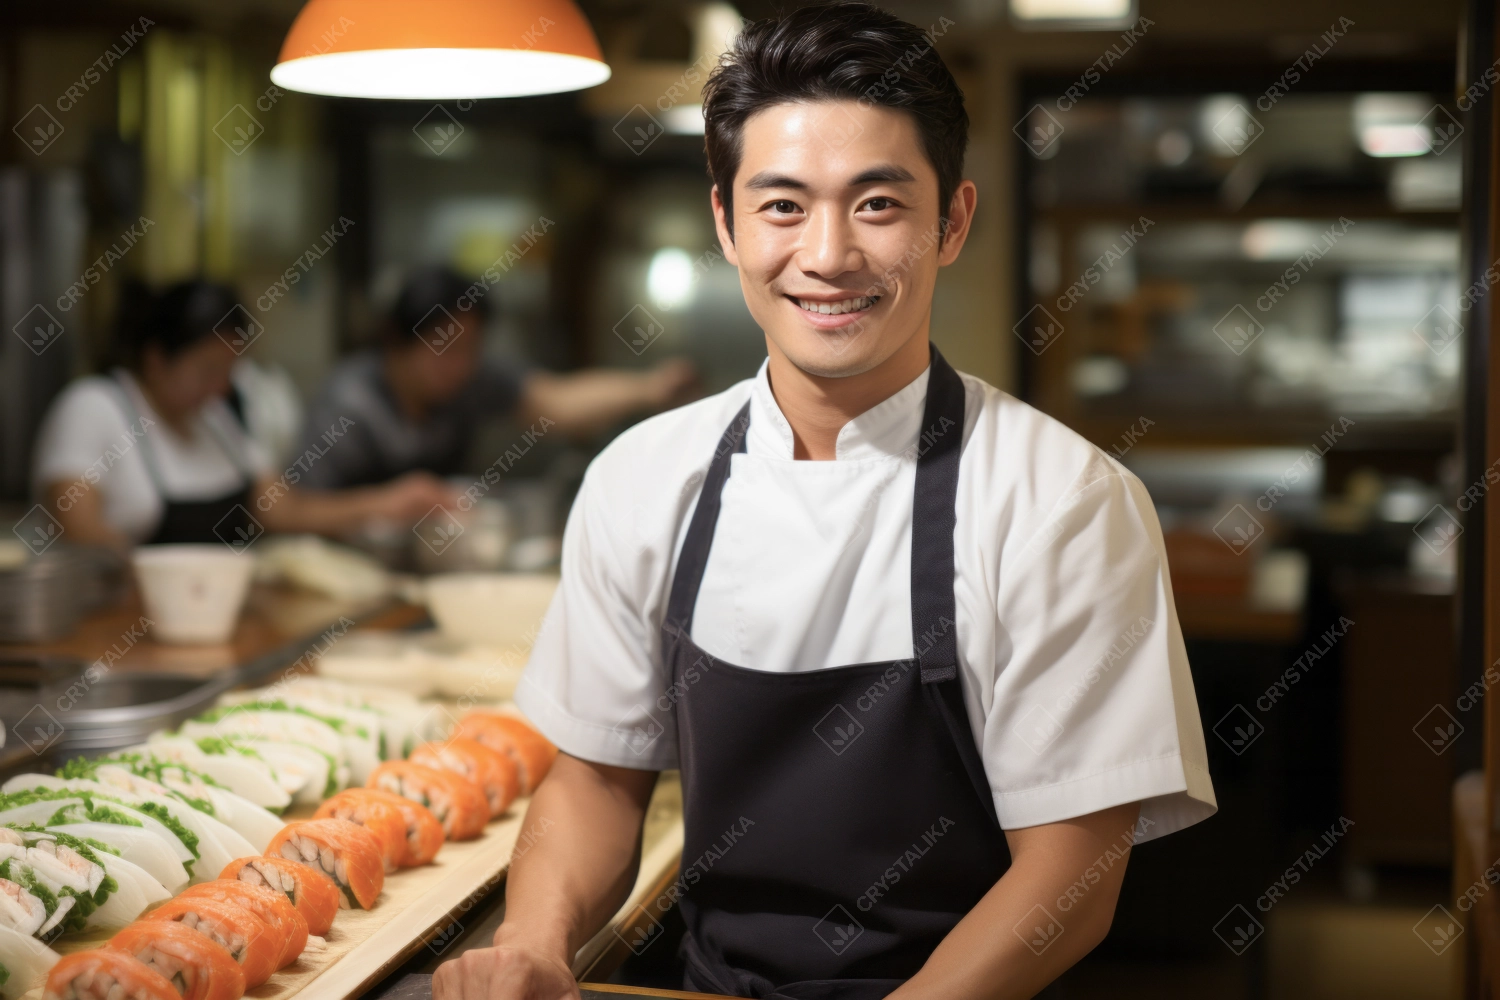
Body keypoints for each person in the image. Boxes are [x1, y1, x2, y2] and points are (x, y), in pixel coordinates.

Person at [434, 6, 1216, 1000]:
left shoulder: (1062, 501)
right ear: (726, 222)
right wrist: (537, 943)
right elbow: (596, 774)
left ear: (955, 221)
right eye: (783, 206)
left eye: (879, 204)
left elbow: (1073, 869)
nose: (829, 254)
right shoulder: (643, 478)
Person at [32, 280, 455, 550]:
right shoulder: (93, 407)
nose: (221, 388)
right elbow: (76, 531)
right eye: (208, 371)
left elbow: (282, 509)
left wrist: (389, 502)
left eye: (230, 373)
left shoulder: (213, 419)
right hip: (111, 630)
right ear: (157, 359)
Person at [289, 266, 699, 490]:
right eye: (444, 348)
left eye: (470, 350)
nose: (459, 364)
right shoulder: (349, 403)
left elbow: (557, 402)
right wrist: (385, 506)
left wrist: (651, 387)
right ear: (397, 342)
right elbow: (289, 511)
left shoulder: (470, 381)